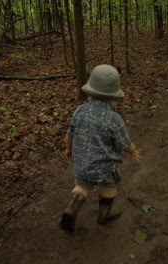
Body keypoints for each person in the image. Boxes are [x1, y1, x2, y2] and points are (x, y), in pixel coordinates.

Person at [60, 64, 141, 233]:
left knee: (82, 185)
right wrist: (132, 151)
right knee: (110, 186)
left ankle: (71, 208)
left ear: (89, 92)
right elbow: (123, 143)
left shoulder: (80, 111)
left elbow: (69, 135)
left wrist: (69, 149)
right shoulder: (114, 119)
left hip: (82, 163)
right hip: (105, 166)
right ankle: (104, 215)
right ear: (114, 97)